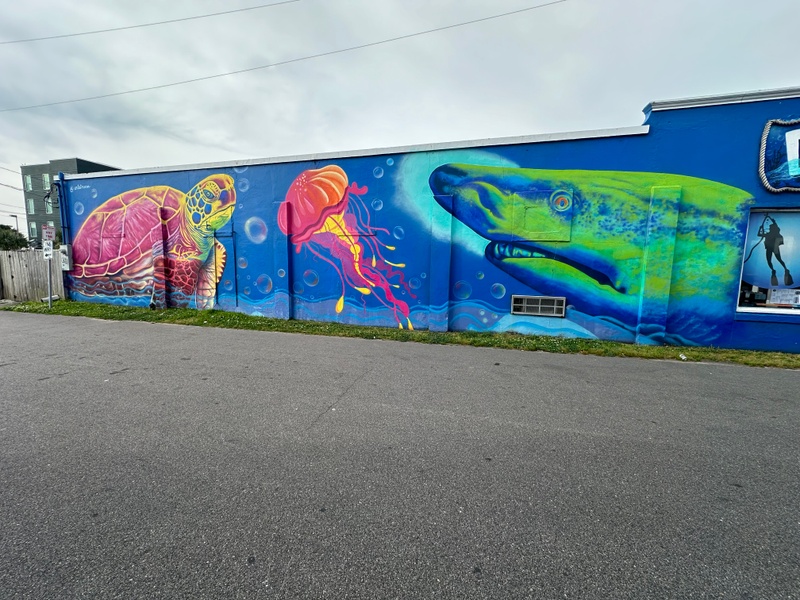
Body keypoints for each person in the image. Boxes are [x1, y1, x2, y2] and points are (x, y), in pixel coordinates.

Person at [758, 216, 792, 286]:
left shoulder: (775, 231)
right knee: (769, 260)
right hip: (770, 248)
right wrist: (760, 228)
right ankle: (774, 270)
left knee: (779, 259)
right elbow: (759, 234)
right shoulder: (768, 234)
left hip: (774, 247)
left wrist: (769, 217)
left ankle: (785, 269)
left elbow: (774, 223)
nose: (770, 228)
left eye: (771, 228)